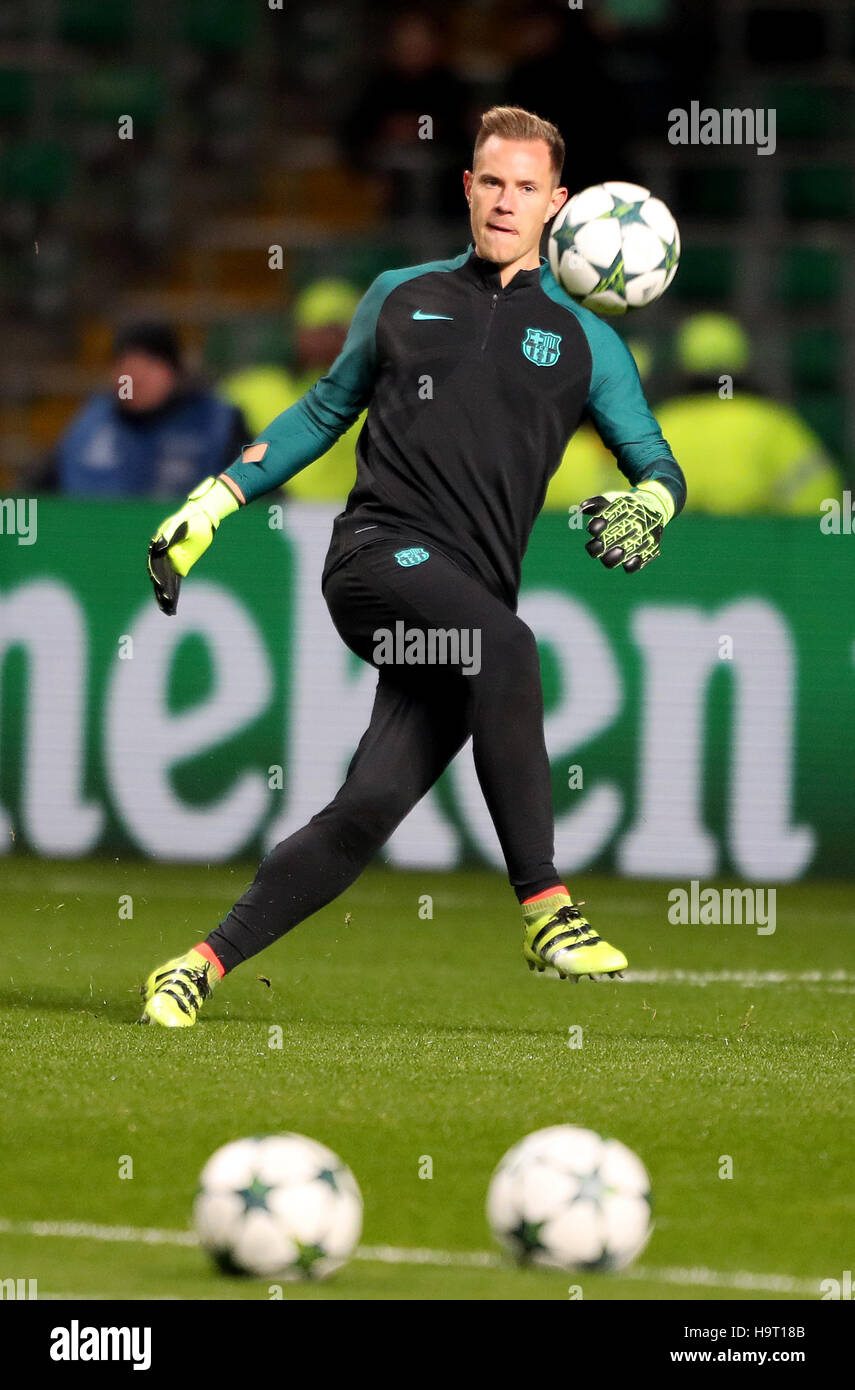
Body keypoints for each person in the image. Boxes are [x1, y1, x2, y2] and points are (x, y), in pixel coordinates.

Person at [140, 106, 686, 1027]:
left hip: (459, 608)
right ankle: (546, 907)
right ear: (467, 188)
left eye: (527, 187)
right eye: (492, 183)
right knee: (509, 650)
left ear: (558, 203)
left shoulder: (590, 345)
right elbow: (321, 413)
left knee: (367, 809)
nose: (506, 201)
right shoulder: (400, 292)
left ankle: (195, 966)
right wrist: (213, 502)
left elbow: (656, 461)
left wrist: (653, 504)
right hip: (373, 559)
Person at [655, 314, 842, 515]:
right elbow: (818, 499)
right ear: (743, 362)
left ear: (681, 365)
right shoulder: (772, 422)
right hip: (755, 543)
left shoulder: (659, 423)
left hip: (672, 545)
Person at [52, 322, 248, 498]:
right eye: (126, 365)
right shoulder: (89, 426)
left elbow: (257, 497)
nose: (136, 378)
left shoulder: (218, 424)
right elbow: (40, 494)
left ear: (175, 372)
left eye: (150, 365)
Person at [220, 279, 363, 502]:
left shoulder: (382, 397)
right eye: (315, 330)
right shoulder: (252, 387)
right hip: (265, 522)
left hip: (349, 521)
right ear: (299, 332)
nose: (322, 340)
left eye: (334, 331)